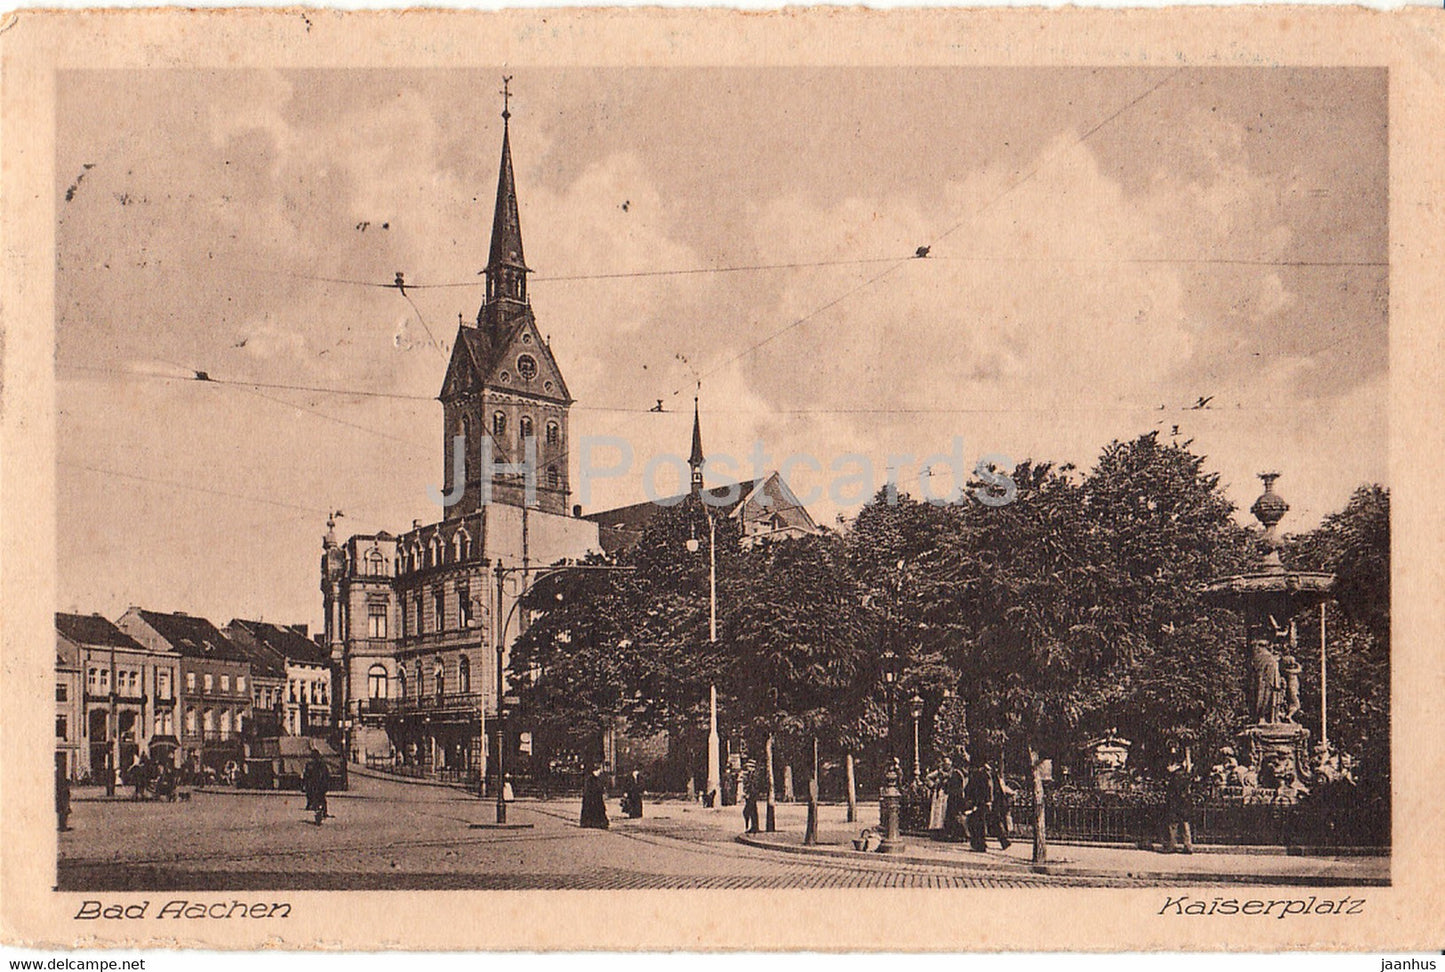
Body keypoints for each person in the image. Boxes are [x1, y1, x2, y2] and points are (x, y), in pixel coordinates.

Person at [1161, 760, 1194, 854]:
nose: (1168, 768)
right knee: (1185, 824)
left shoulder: (1175, 776)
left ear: (1174, 765)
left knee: (1173, 824)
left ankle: (1171, 845)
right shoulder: (1185, 774)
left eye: (1169, 765)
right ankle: (1188, 846)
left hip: (1176, 803)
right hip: (1185, 803)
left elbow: (1174, 792)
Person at [964, 756, 994, 851]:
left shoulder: (980, 774)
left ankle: (979, 845)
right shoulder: (984, 774)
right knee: (978, 823)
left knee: (976, 824)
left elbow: (983, 789)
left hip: (978, 802)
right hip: (980, 802)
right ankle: (980, 844)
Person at [986, 763, 1014, 850]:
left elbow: (992, 789)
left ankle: (1003, 840)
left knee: (996, 821)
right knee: (996, 821)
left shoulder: (991, 776)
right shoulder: (996, 776)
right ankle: (1003, 840)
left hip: (995, 802)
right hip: (998, 802)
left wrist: (989, 801)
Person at [302, 749, 332, 824]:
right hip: (319, 785)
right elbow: (327, 775)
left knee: (317, 799)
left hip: (315, 785)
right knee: (321, 799)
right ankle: (322, 812)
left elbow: (306, 775)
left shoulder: (310, 765)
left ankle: (320, 812)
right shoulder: (322, 764)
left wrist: (305, 784)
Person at [580, 765, 609, 829]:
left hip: (597, 797)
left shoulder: (597, 778)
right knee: (593, 810)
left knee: (598, 810)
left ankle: (598, 823)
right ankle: (593, 823)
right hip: (592, 798)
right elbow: (589, 789)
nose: (599, 772)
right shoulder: (590, 779)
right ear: (594, 771)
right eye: (598, 771)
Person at [741, 759, 760, 834]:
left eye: (749, 767)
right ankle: (753, 827)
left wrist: (749, 794)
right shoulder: (750, 774)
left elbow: (754, 786)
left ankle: (753, 827)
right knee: (752, 811)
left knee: (747, 811)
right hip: (750, 795)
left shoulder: (754, 775)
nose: (748, 768)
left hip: (752, 795)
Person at [55, 762, 71, 832]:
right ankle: (62, 826)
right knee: (63, 810)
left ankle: (63, 826)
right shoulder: (59, 775)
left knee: (64, 810)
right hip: (62, 794)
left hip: (63, 793)